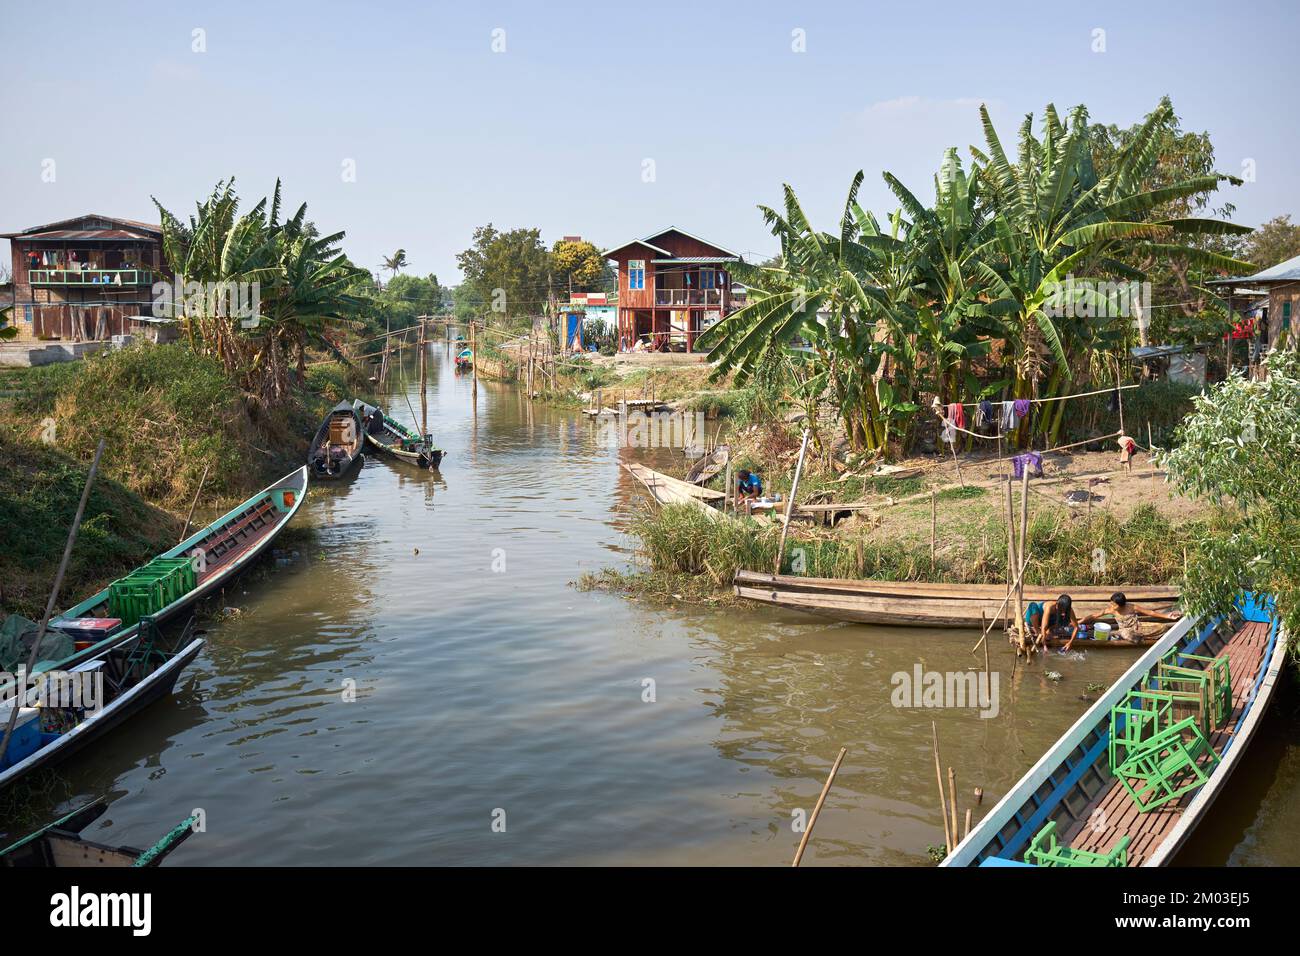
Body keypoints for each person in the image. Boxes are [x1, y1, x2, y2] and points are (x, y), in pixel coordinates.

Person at [1084, 592, 1181, 642]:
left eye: (1114, 604)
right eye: (1111, 604)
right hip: (1124, 631)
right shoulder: (1111, 610)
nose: (1112, 606)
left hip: (1138, 627)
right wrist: (1078, 622)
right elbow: (1094, 615)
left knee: (1162, 627)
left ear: (1121, 604)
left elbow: (1150, 613)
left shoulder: (1131, 607)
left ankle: (1141, 637)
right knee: (1126, 634)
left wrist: (1167, 616)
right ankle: (1137, 637)